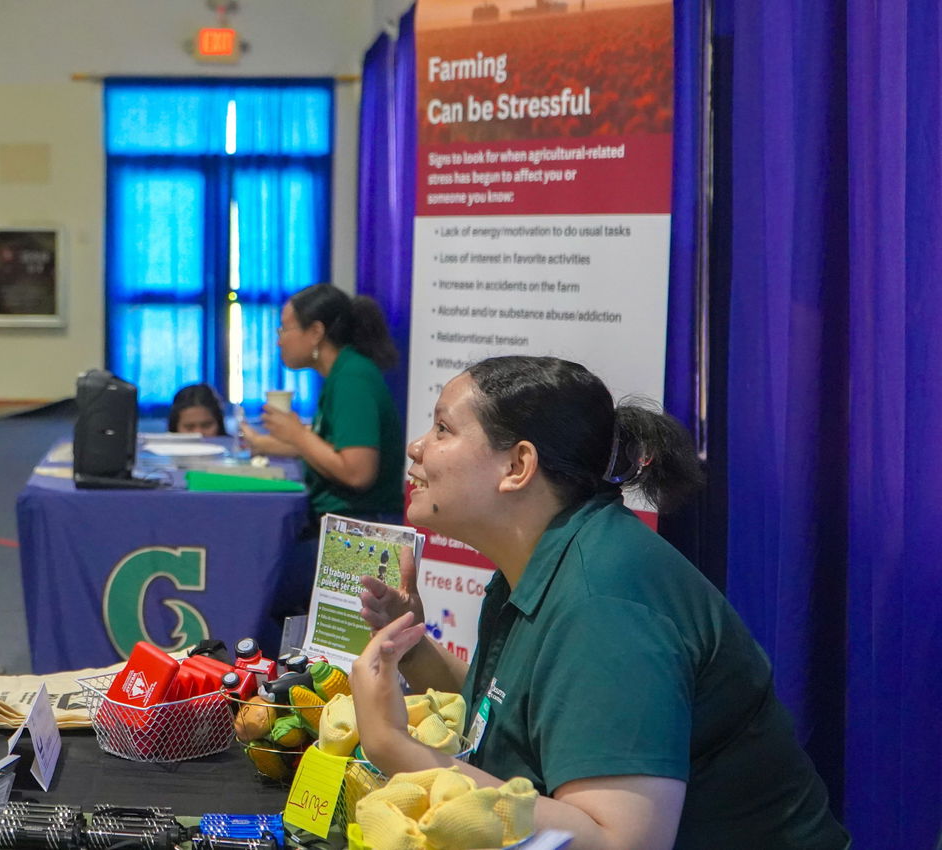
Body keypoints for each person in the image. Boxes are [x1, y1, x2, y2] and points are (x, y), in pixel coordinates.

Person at [350, 356, 849, 850]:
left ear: (518, 466)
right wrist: (411, 647)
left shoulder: (604, 602)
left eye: (442, 428)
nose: (417, 447)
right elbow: (513, 712)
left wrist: (394, 745)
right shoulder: (547, 559)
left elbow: (620, 841)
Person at [243, 283, 406, 525]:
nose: (279, 342)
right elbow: (331, 447)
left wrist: (297, 434)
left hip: (360, 530)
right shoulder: (341, 373)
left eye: (284, 329)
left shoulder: (352, 378)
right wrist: (263, 443)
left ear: (316, 332)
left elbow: (358, 473)